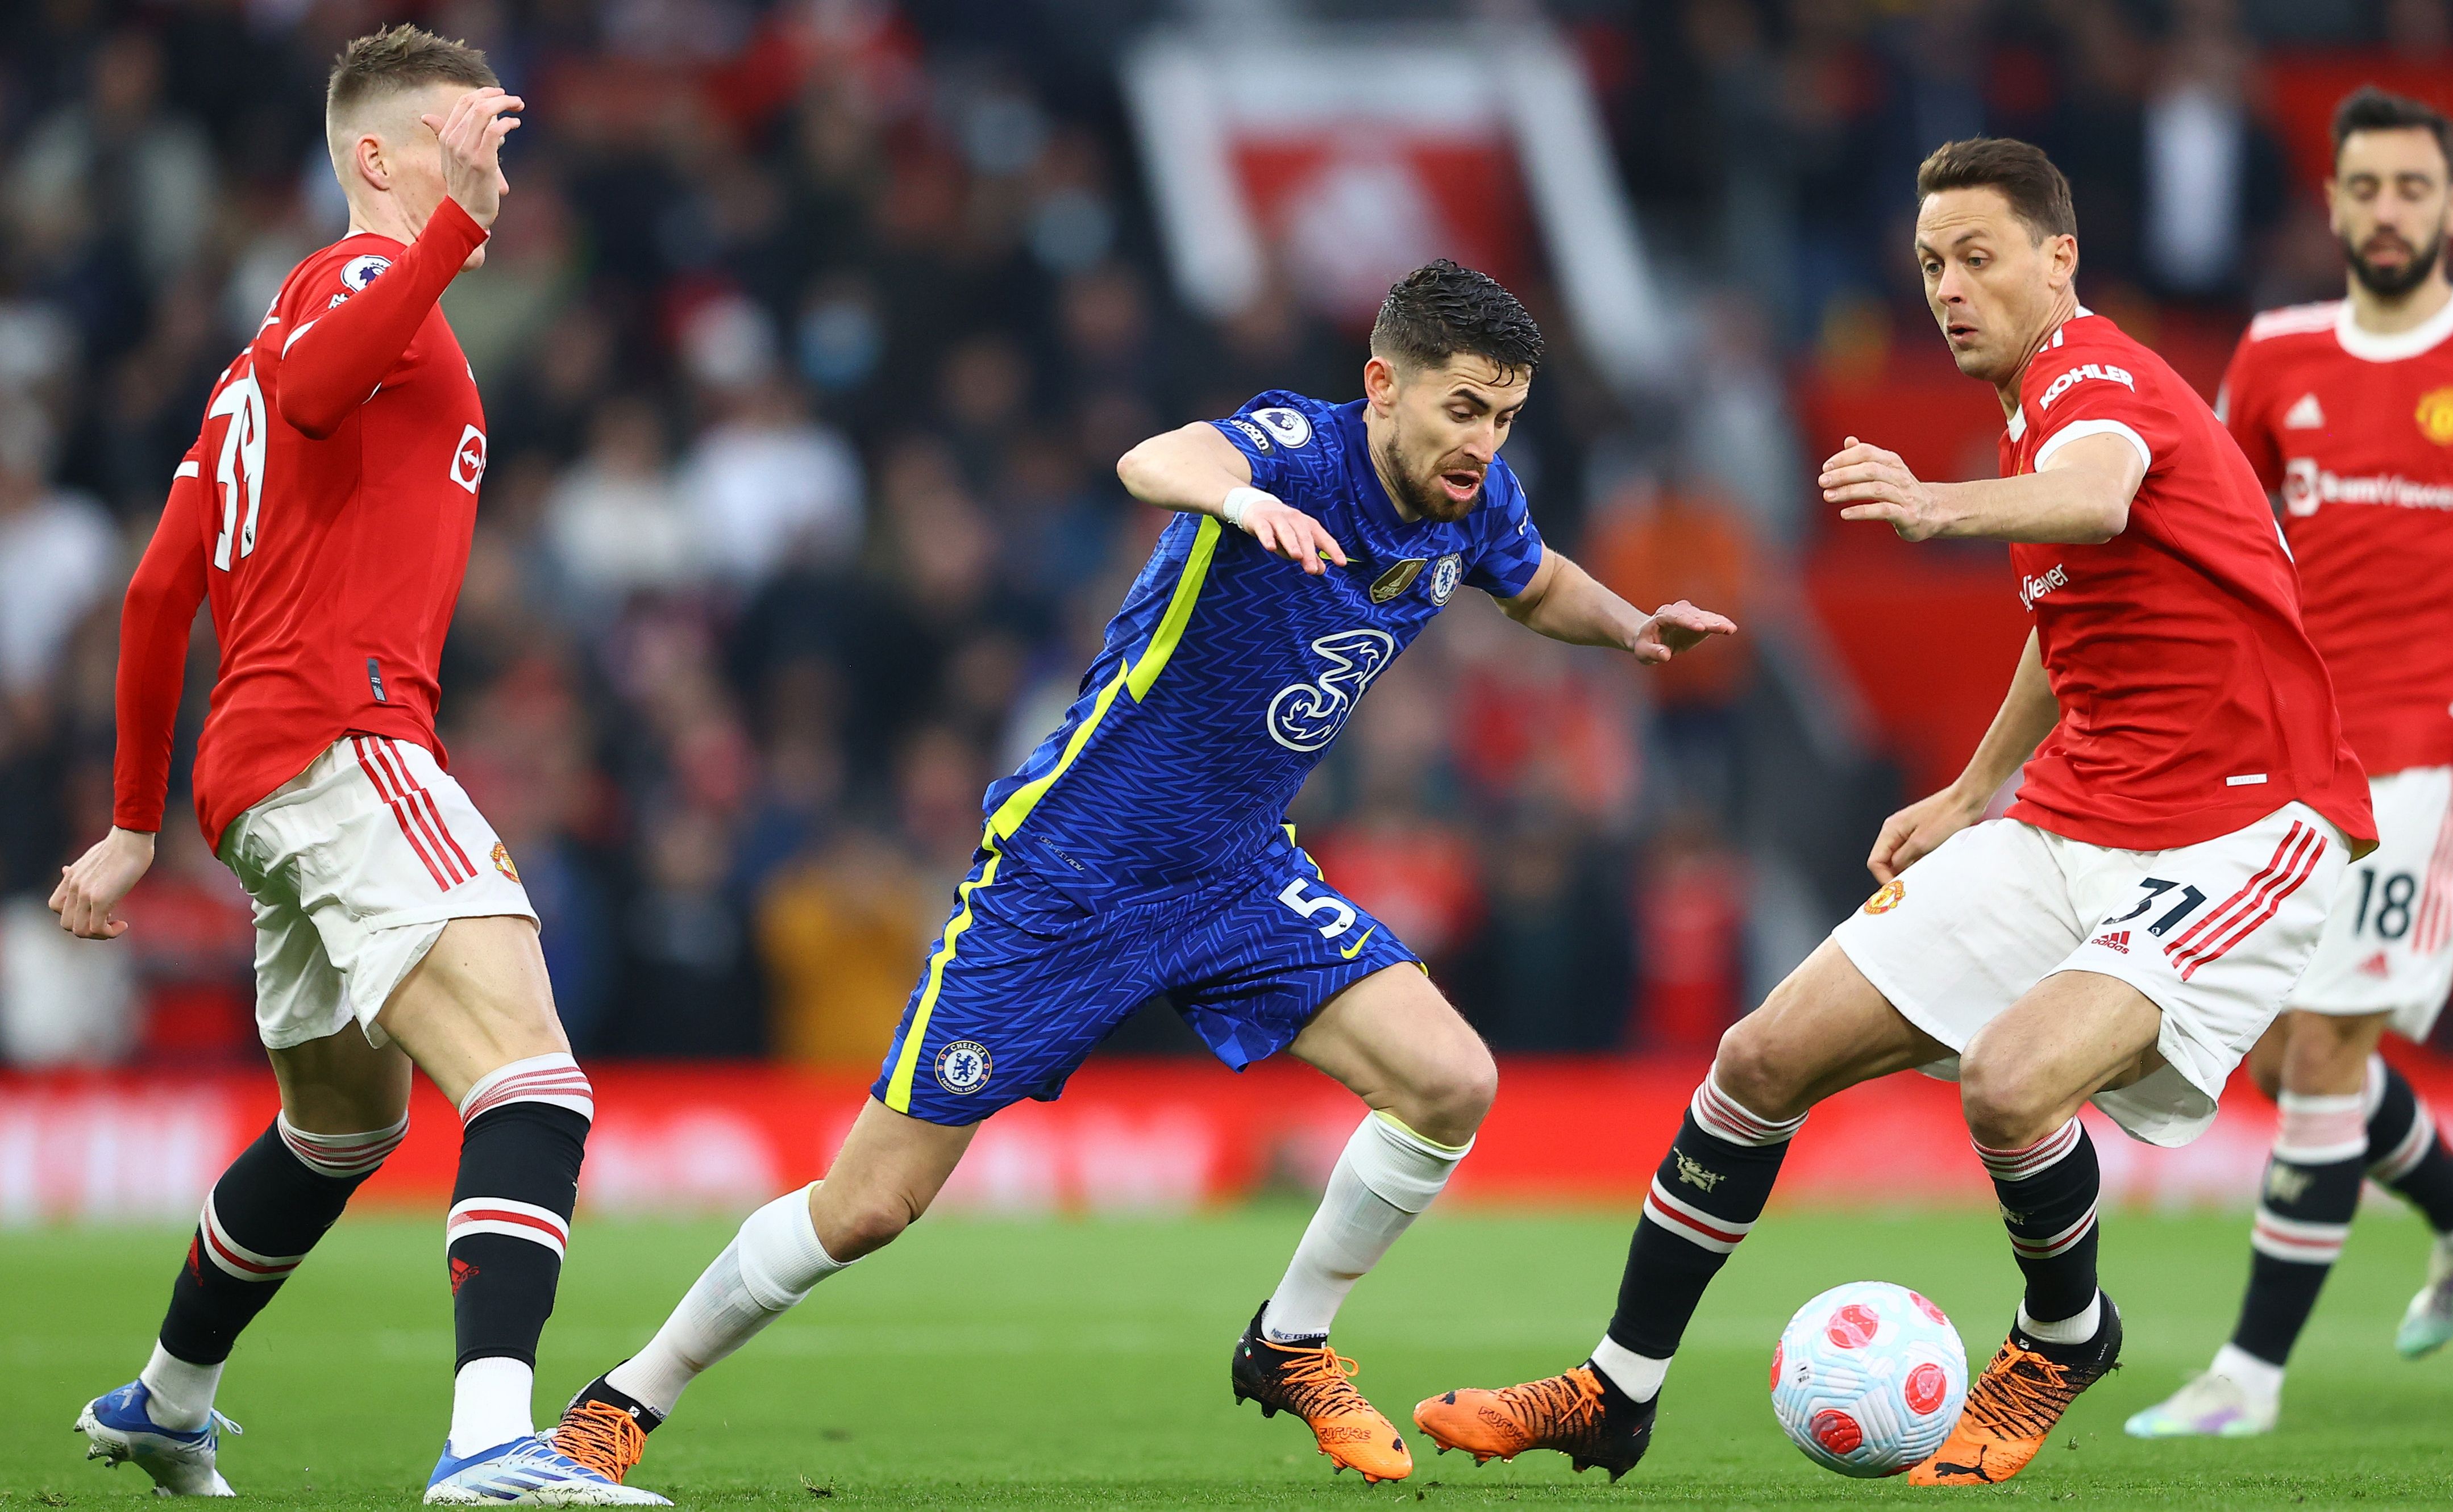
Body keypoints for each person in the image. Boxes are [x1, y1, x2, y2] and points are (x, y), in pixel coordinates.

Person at [538, 259, 1736, 1488]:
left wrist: (1631, 625)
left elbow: (1534, 582)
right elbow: (1156, 458)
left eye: (1503, 416)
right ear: (1382, 385)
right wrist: (1238, 502)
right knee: (869, 1205)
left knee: (1448, 1079)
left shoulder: (1472, 504)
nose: (1483, 440)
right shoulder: (1297, 449)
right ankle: (619, 1402)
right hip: (1072, 869)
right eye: (1462, 408)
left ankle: (1290, 1340)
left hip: (1233, 876)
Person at [1413, 138, 2377, 1488]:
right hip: (2074, 815)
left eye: (1979, 257)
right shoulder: (2035, 409)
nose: (1948, 288)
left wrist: (1932, 505)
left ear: (2061, 260)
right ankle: (1615, 1389)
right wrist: (1976, 788)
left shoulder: (2090, 376)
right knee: (1757, 1059)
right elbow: (2075, 610)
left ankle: (2061, 1336)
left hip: (2241, 826)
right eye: (1930, 264)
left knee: (2010, 1082)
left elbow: (2096, 495)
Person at [52, 26, 663, 1505]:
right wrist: (452, 228)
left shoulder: (244, 373)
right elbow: (328, 387)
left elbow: (155, 594)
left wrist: (138, 822)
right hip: (343, 732)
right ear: (376, 156)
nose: (489, 166)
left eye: (494, 142)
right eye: (463, 141)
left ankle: (165, 1396)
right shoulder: (358, 287)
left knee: (340, 1126)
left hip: (260, 771)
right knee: (537, 1081)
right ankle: (487, 1444)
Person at [2126, 88, 2453, 1442]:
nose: (2390, 210)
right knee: (2291, 1040)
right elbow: (2216, 541)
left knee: (2323, 1049)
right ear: (2335, 204)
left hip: (2433, 764)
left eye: (2415, 187)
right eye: (2365, 187)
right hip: (2292, 763)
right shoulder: (2276, 356)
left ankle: (2247, 1374)